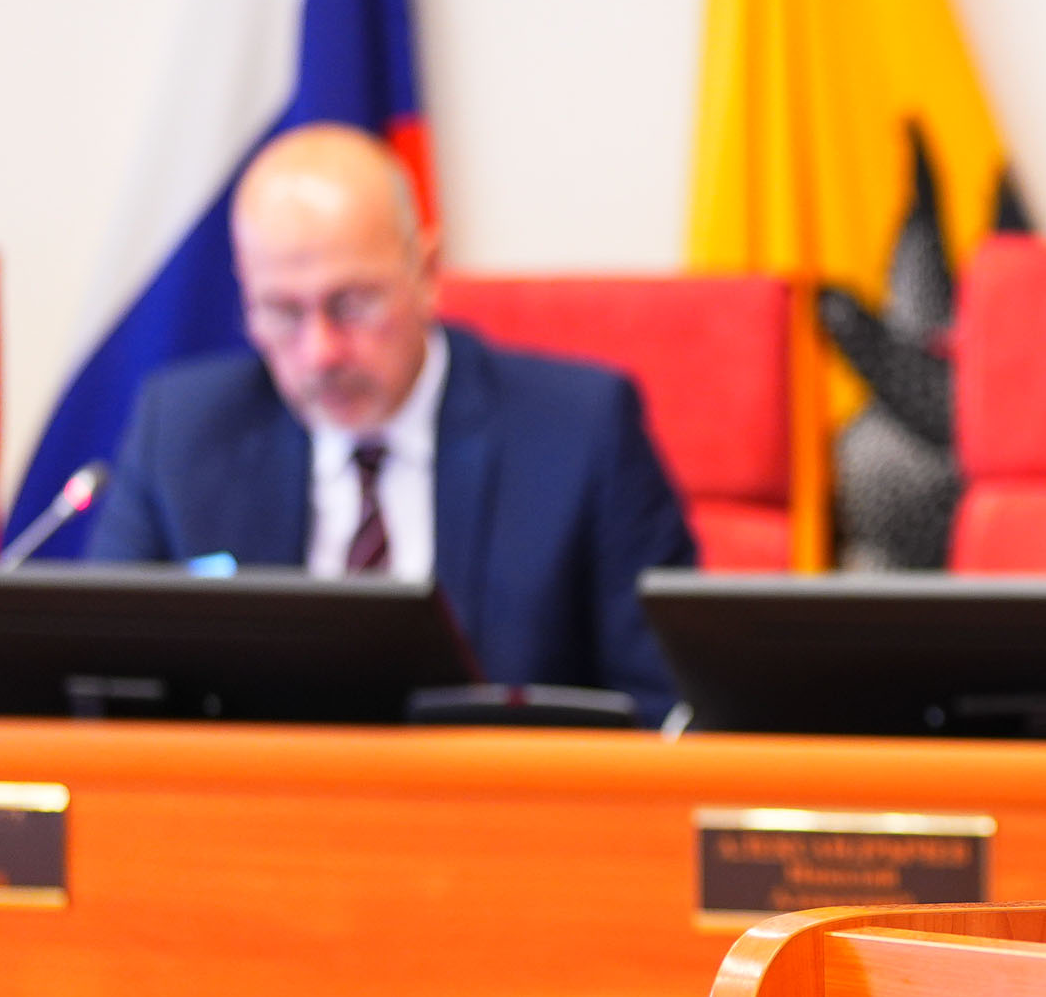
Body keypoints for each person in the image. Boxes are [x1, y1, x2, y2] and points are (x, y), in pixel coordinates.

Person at [90, 123, 697, 715]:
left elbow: (667, 708)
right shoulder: (182, 433)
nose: (320, 352)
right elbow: (101, 685)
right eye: (282, 312)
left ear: (426, 274)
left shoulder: (581, 432)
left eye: (352, 304)